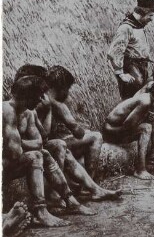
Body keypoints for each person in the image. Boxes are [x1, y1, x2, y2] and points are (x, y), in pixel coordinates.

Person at [4, 76, 94, 227]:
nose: (41, 100)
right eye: (38, 95)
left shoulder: (28, 113)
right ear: (28, 96)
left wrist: (20, 142)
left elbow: (40, 141)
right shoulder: (6, 110)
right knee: (35, 156)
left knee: (44, 152)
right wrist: (20, 145)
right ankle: (41, 212)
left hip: (11, 159)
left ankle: (70, 200)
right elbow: (14, 153)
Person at [103, 78, 154, 179]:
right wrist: (145, 118)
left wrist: (147, 117)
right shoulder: (145, 102)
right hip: (111, 131)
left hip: (119, 128)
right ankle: (140, 169)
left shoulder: (150, 99)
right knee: (146, 128)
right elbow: (127, 126)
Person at [38, 66, 104, 179]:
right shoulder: (58, 105)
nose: (67, 92)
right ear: (62, 87)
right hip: (48, 146)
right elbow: (79, 133)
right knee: (96, 136)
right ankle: (90, 182)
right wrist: (82, 129)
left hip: (41, 143)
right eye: (67, 88)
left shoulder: (39, 97)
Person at [107, 0, 154, 100]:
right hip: (130, 68)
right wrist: (121, 74)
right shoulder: (126, 28)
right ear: (143, 13)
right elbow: (116, 52)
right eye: (150, 15)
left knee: (142, 96)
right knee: (132, 99)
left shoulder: (139, 26)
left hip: (142, 67)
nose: (152, 19)